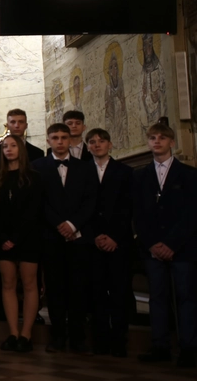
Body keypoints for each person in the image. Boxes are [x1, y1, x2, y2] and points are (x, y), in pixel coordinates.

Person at [133, 123, 197, 369]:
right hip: (153, 248)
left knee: (186, 298)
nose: (157, 141)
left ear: (172, 142)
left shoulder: (189, 174)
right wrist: (152, 243)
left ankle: (188, 348)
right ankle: (160, 346)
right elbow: (138, 214)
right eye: (152, 137)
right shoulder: (140, 175)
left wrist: (171, 243)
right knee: (157, 298)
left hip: (182, 248)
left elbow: (191, 214)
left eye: (162, 137)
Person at [32, 123, 98, 354]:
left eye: (63, 137)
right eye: (55, 137)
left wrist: (72, 224)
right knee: (55, 289)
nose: (59, 141)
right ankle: (57, 336)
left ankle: (78, 338)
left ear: (70, 140)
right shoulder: (37, 167)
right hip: (51, 237)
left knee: (78, 288)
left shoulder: (85, 167)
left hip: (78, 237)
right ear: (48, 140)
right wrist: (59, 224)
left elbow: (91, 200)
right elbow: (38, 201)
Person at [0, 134, 43, 353]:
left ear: (21, 149)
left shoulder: (33, 177)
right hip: (3, 240)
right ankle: (13, 332)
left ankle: (26, 334)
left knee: (29, 285)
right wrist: (3, 237)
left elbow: (34, 211)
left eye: (13, 146)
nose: (8, 149)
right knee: (8, 284)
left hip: (27, 238)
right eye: (5, 146)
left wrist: (16, 238)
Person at [85, 128, 133, 357]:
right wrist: (94, 235)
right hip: (92, 241)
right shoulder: (82, 172)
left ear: (110, 145)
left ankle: (119, 340)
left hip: (118, 242)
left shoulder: (125, 172)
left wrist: (114, 236)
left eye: (101, 141)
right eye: (92, 142)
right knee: (96, 292)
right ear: (87, 147)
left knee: (119, 292)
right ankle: (100, 339)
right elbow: (82, 207)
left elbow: (128, 208)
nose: (97, 145)